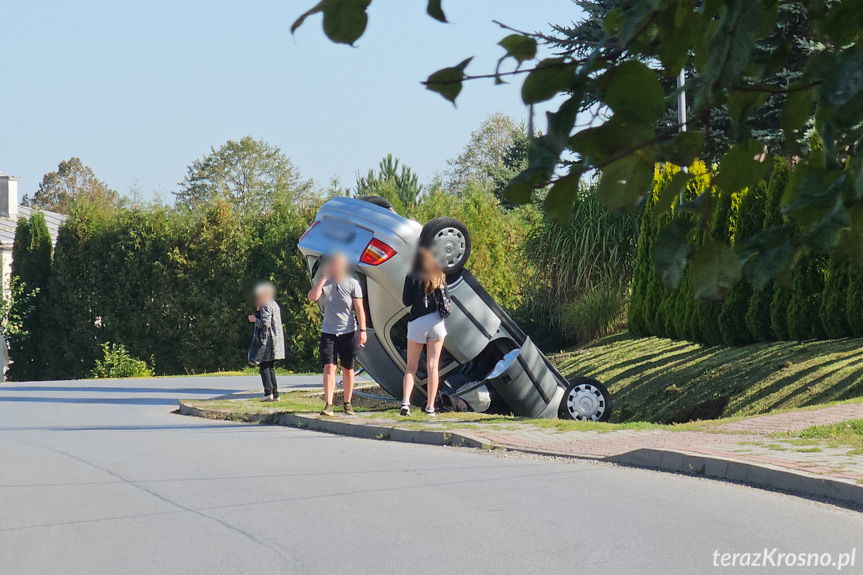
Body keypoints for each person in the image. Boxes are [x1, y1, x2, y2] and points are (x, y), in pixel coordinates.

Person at [307, 253, 368, 416]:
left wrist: (362, 330)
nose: (334, 266)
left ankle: (347, 403)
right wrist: (322, 279)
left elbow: (359, 309)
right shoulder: (326, 282)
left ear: (343, 266)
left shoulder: (352, 283)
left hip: (348, 331)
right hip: (329, 331)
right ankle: (329, 404)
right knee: (329, 367)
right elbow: (312, 298)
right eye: (332, 263)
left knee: (347, 369)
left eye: (337, 263)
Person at [400, 247, 449, 417]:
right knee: (433, 366)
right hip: (436, 322)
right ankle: (430, 407)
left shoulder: (411, 276)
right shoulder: (439, 276)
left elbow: (406, 301)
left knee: (411, 367)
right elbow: (447, 301)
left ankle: (405, 402)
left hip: (417, 322)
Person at [247, 281, 285, 402]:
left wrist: (254, 319)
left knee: (264, 366)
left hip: (267, 342)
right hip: (274, 341)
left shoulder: (266, 305)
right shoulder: (273, 304)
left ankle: (268, 393)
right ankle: (275, 393)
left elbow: (265, 324)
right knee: (270, 367)